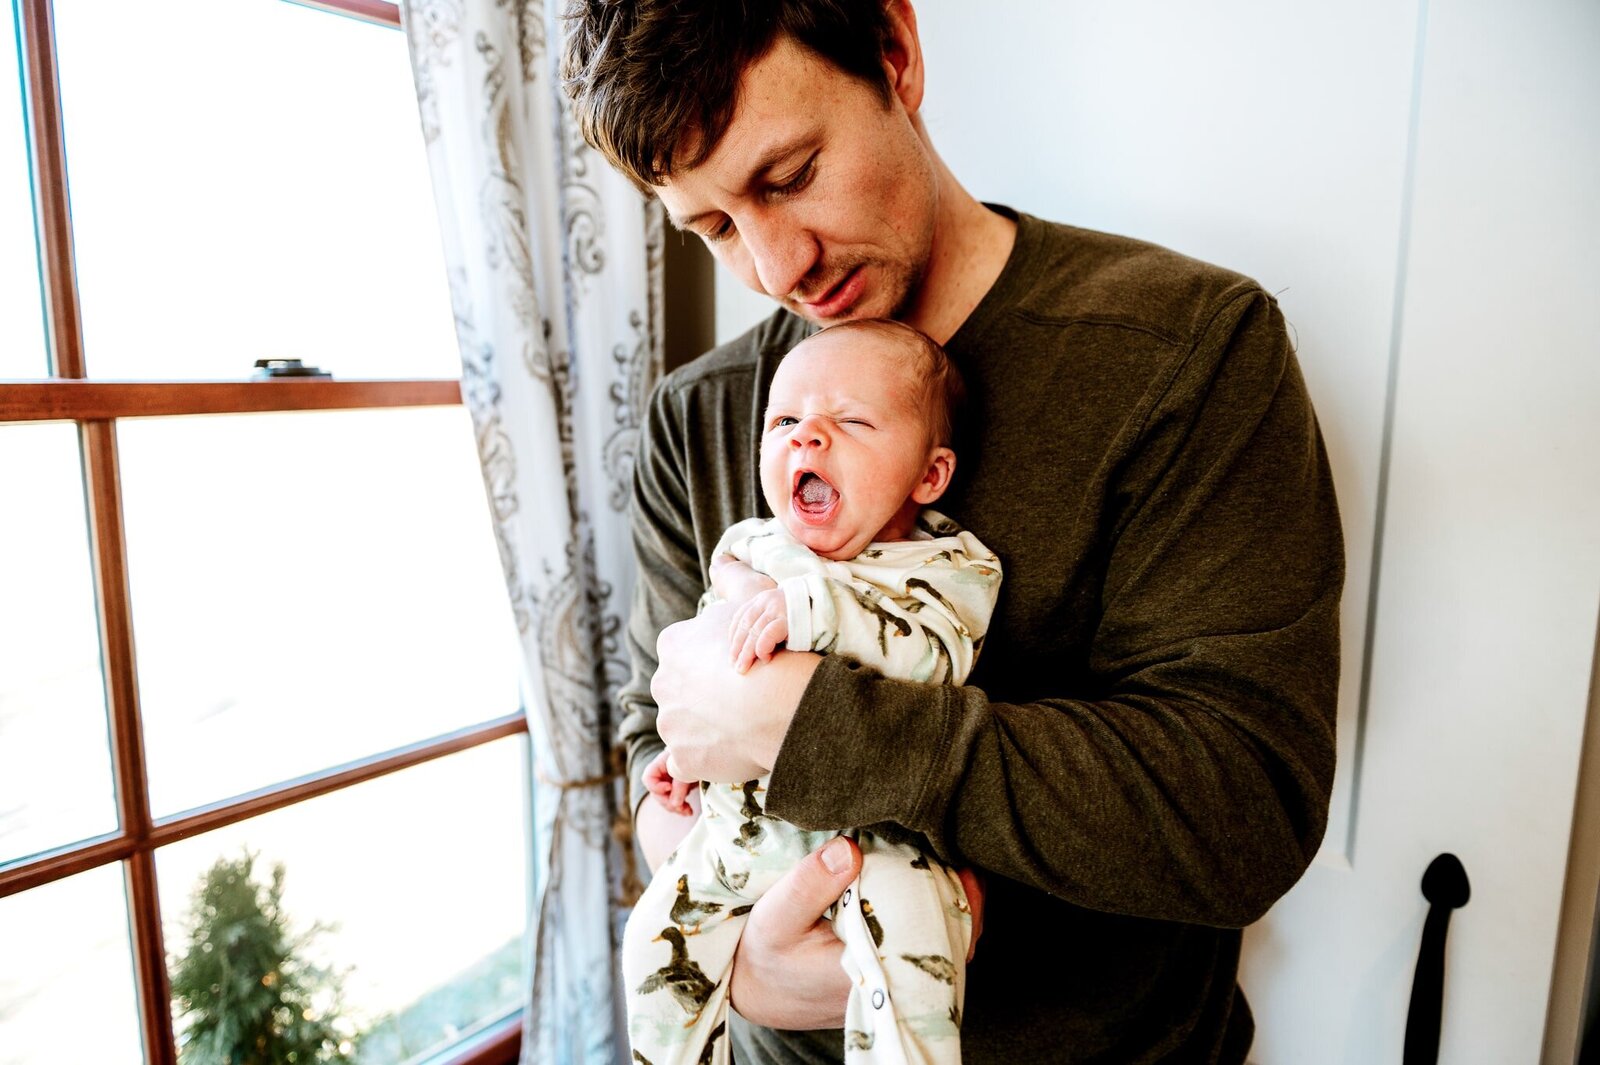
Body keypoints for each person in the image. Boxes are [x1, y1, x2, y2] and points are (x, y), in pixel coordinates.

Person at [562, 1, 1345, 1062]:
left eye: (788, 176)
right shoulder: (695, 419)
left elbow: (1241, 811)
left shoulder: (1186, 353)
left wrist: (814, 726)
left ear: (895, 50)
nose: (774, 266)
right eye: (712, 228)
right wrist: (736, 959)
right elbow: (661, 742)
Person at [624, 319, 1001, 1065]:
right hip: (741, 840)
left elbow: (933, 659)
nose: (808, 438)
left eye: (852, 420)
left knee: (912, 966)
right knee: (652, 942)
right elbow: (701, 680)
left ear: (930, 475)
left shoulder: (948, 565)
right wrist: (685, 760)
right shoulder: (752, 547)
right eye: (786, 420)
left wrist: (811, 608)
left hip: (880, 842)